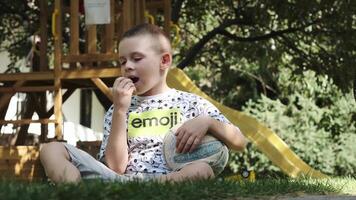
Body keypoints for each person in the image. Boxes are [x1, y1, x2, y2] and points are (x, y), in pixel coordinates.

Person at [40, 23, 247, 183]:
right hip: (119, 181)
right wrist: (121, 109)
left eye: (136, 58)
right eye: (122, 61)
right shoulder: (118, 108)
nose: (128, 66)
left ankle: (149, 190)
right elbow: (115, 167)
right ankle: (74, 191)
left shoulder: (191, 103)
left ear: (164, 61)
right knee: (51, 149)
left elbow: (240, 142)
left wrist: (208, 122)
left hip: (170, 179)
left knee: (203, 171)